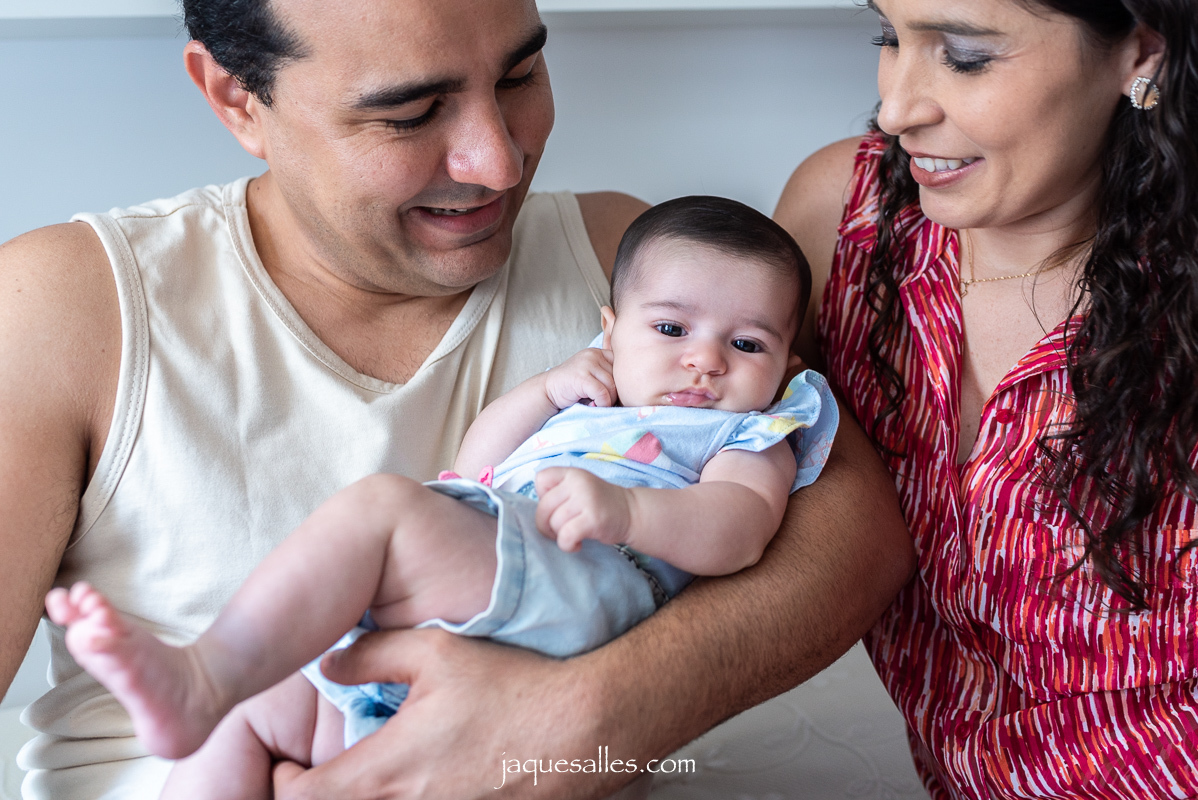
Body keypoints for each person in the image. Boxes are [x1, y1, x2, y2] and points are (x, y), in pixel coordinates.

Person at [0, 0, 914, 797]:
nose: (498, 162)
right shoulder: (64, 310)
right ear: (239, 96)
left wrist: (587, 718)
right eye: (411, 111)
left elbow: (857, 534)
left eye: (520, 75)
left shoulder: (638, 259)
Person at [47, 196, 840, 800]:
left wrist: (632, 513)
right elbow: (477, 470)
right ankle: (213, 700)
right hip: (486, 592)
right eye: (671, 330)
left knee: (381, 510)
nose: (705, 362)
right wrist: (542, 393)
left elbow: (739, 529)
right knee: (260, 712)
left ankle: (204, 672)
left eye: (746, 344)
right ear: (612, 329)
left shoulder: (751, 433)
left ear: (785, 360)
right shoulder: (587, 399)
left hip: (589, 582)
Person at [774, 0, 1198, 797]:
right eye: (887, 38)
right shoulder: (848, 219)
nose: (897, 107)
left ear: (1141, 53)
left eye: (964, 56)